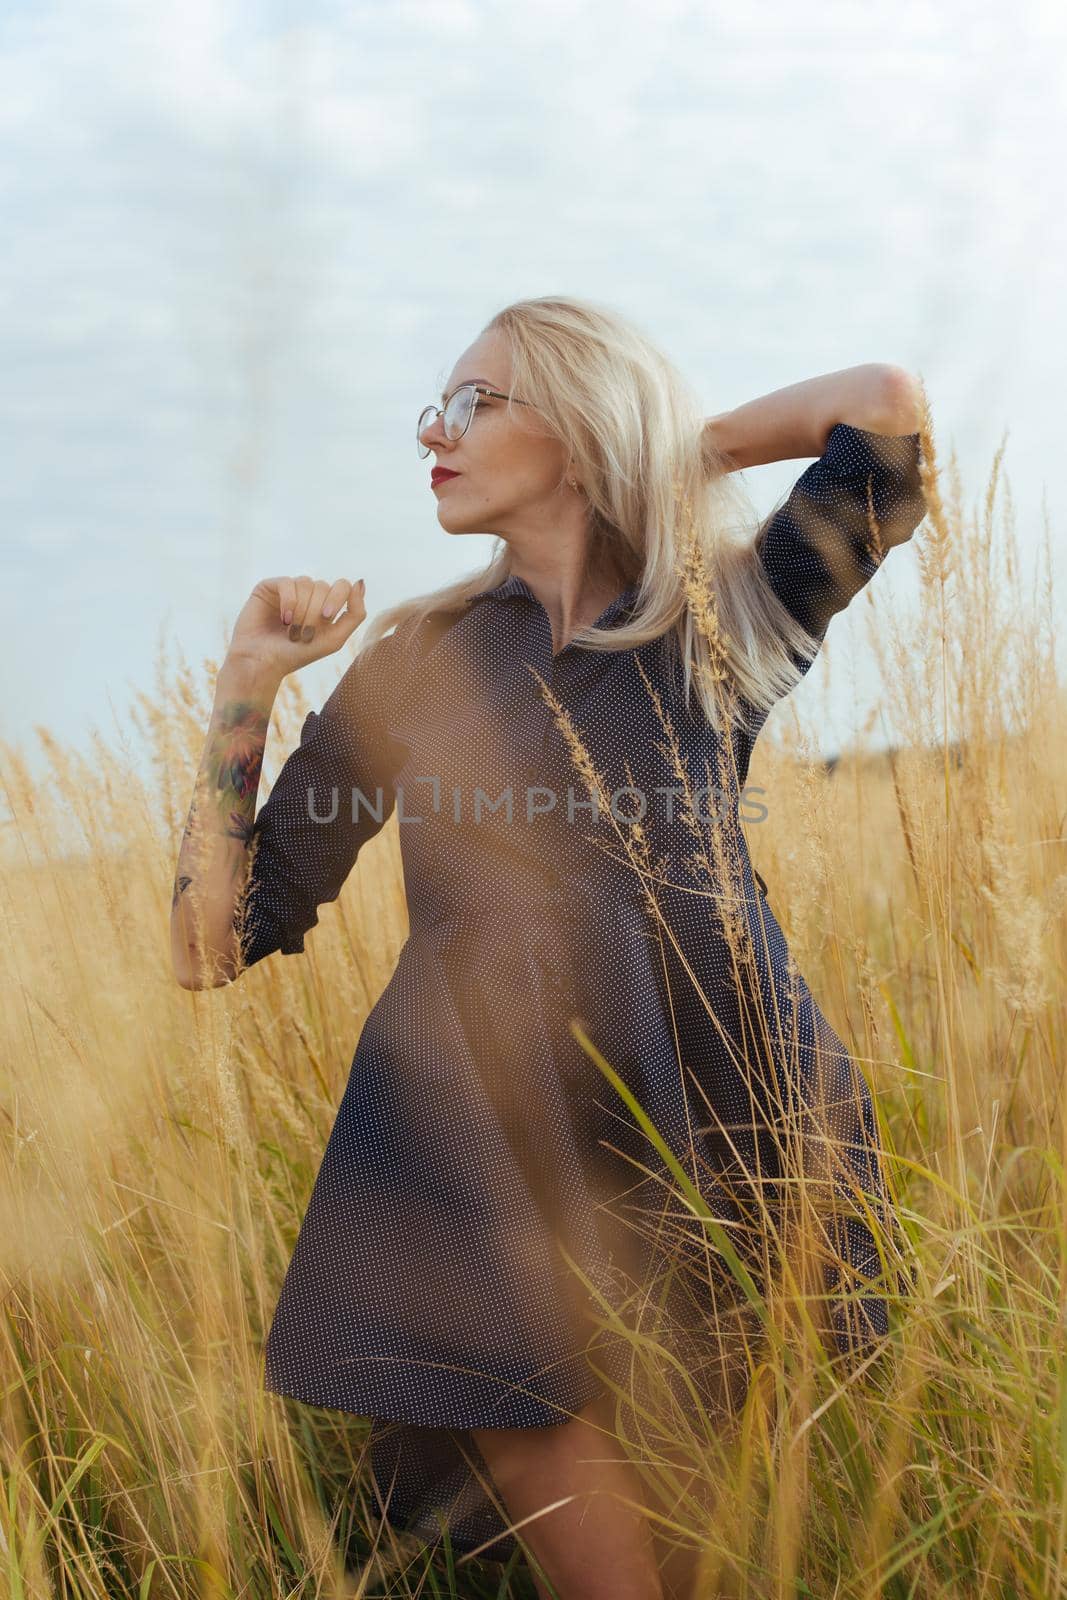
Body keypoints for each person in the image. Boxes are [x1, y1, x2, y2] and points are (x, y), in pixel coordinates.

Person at [170, 295, 928, 1600]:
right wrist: (247, 685)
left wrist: (673, 453)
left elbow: (888, 413)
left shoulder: (715, 616)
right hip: (484, 1149)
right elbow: (213, 940)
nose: (432, 429)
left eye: (473, 403)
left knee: (696, 1541)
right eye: (439, 404)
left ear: (578, 431)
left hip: (719, 1120)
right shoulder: (419, 665)